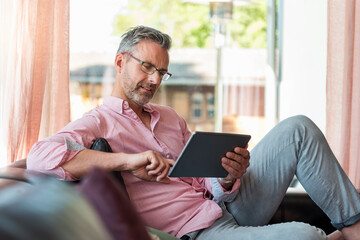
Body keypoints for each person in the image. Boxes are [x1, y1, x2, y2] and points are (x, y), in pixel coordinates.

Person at [27, 25, 360, 240]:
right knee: (308, 236)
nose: (155, 80)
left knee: (297, 128)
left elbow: (208, 183)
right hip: (198, 231)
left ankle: (354, 225)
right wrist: (128, 161)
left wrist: (228, 176)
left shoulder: (170, 117)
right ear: (119, 63)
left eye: (161, 72)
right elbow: (40, 158)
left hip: (227, 207)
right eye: (146, 67)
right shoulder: (98, 122)